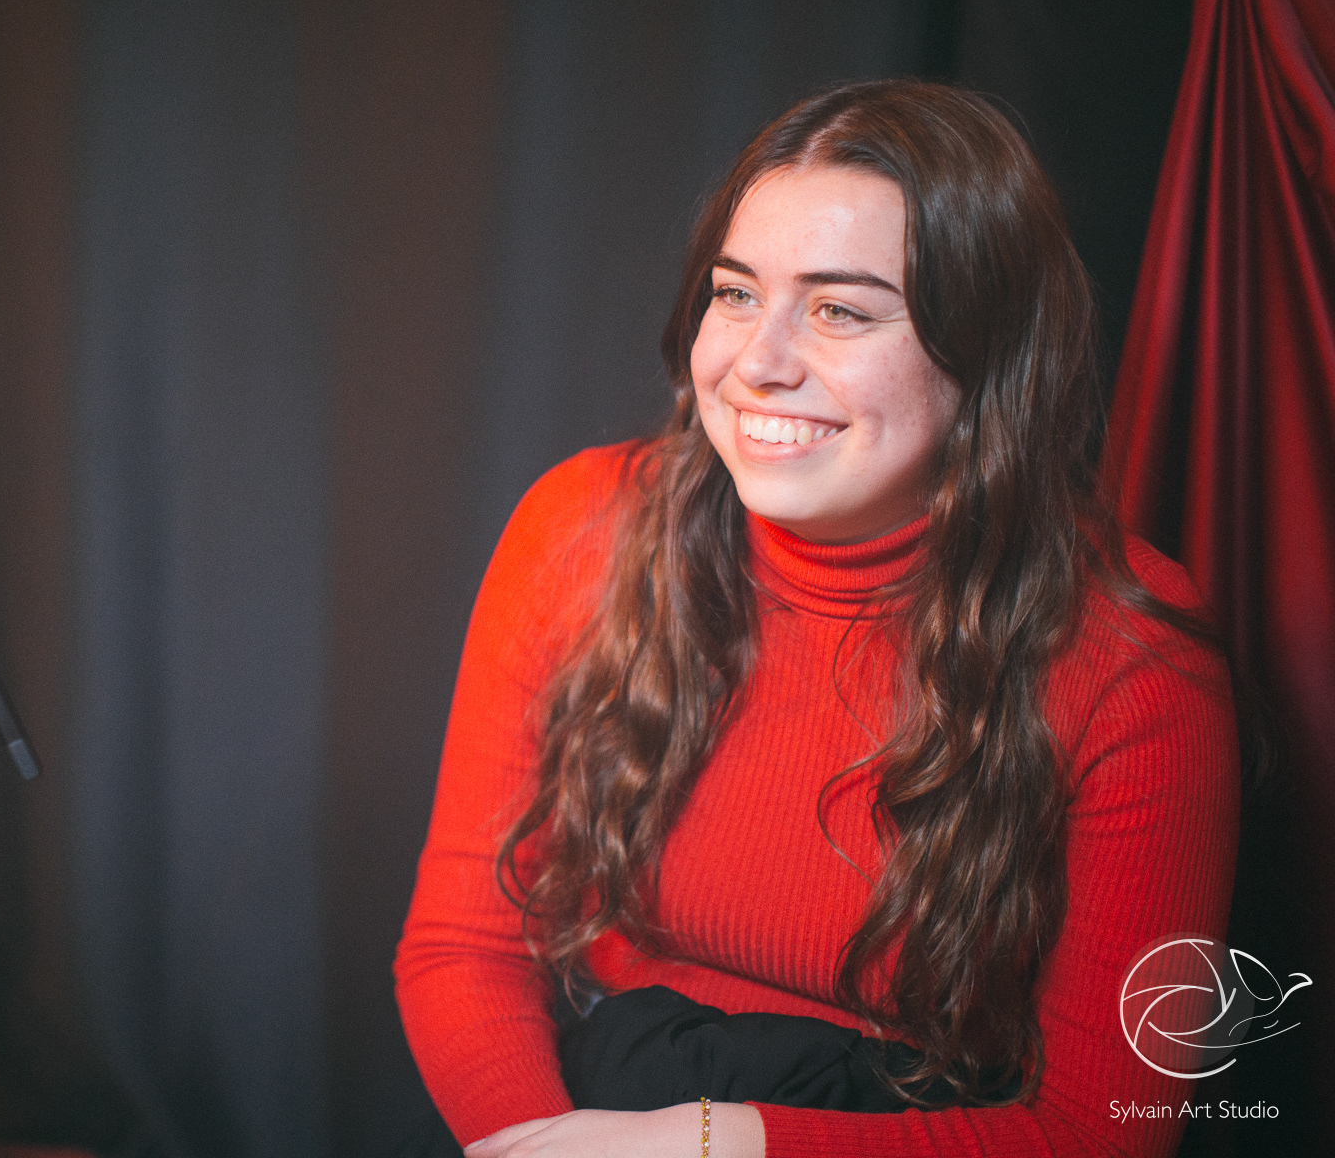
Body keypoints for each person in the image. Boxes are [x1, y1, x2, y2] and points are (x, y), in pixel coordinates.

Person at [393, 80, 1239, 1158]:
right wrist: (537, 1142)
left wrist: (720, 1143)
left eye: (840, 310)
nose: (758, 361)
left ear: (987, 351)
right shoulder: (583, 527)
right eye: (736, 293)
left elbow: (1099, 1133)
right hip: (584, 1115)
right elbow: (463, 945)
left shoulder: (1134, 657)